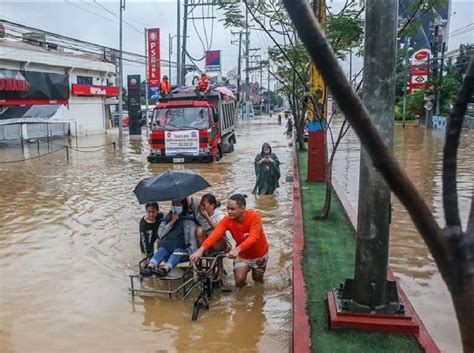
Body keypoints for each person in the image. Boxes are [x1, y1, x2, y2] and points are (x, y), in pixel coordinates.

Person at [190, 194, 269, 288]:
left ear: (242, 208)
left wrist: (238, 249)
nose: (229, 212)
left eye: (232, 209)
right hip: (242, 255)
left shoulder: (255, 217)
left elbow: (254, 237)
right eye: (228, 208)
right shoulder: (227, 220)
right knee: (239, 281)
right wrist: (200, 250)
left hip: (259, 255)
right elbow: (215, 234)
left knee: (258, 281)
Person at [141, 198, 198, 277]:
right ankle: (150, 267)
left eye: (178, 205)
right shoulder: (167, 218)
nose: (175, 207)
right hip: (167, 249)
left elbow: (193, 240)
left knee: (177, 252)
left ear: (183, 206)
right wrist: (172, 222)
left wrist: (193, 254)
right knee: (162, 250)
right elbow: (160, 234)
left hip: (182, 251)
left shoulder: (189, 220)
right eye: (174, 205)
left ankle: (165, 269)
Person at [195, 194, 231, 280]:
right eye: (201, 205)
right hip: (206, 245)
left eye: (204, 205)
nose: (202, 208)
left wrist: (207, 217)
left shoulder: (219, 216)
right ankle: (212, 265)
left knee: (216, 237)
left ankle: (220, 268)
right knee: (199, 230)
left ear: (212, 205)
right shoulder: (199, 217)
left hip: (220, 243)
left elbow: (218, 231)